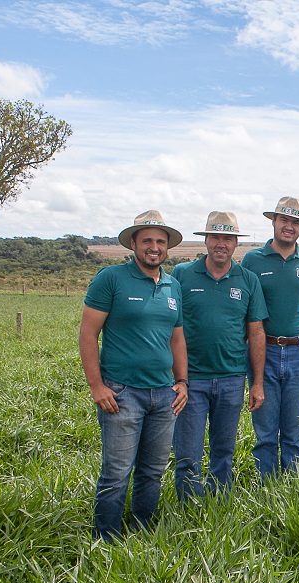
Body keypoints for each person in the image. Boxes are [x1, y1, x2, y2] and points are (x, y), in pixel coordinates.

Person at [79, 210, 189, 541]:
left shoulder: (173, 286)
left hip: (163, 395)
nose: (153, 247)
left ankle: (142, 533)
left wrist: (182, 382)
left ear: (167, 246)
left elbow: (177, 337)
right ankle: (106, 539)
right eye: (147, 241)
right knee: (116, 472)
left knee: (152, 472)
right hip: (122, 393)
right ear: (133, 244)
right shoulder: (110, 279)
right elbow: (88, 334)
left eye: (160, 241)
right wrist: (97, 386)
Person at [171, 211, 267, 502]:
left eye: (228, 238)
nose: (221, 244)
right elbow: (170, 327)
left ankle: (219, 505)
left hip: (231, 378)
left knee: (224, 451)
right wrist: (176, 377)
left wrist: (257, 382)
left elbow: (257, 332)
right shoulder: (182, 274)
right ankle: (188, 509)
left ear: (236, 243)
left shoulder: (247, 280)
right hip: (191, 381)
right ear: (206, 240)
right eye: (215, 237)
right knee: (187, 452)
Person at [240, 196, 299, 477]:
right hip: (262, 353)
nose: (289, 227)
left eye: (295, 222)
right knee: (265, 432)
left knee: (294, 432)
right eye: (284, 220)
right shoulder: (252, 260)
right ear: (274, 221)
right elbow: (242, 310)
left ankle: (291, 491)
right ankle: (266, 489)